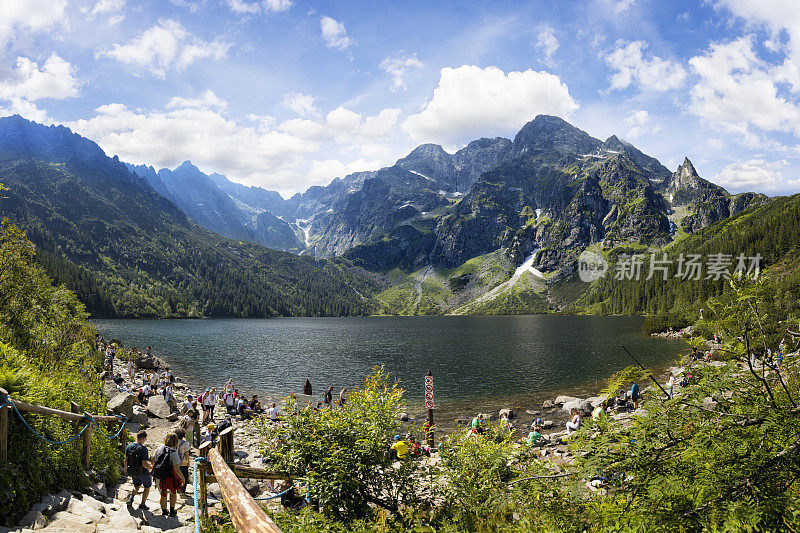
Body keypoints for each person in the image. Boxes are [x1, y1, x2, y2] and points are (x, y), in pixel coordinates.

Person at [153, 432, 184, 517]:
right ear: (176, 442)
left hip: (160, 476)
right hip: (170, 477)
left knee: (163, 493)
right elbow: (176, 469)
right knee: (173, 492)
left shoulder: (159, 449)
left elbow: (153, 460)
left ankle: (164, 511)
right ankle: (172, 510)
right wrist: (182, 478)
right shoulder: (174, 453)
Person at [125, 430, 153, 510]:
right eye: (145, 439)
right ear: (143, 438)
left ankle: (131, 498)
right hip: (143, 472)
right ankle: (142, 504)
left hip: (133, 470)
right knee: (147, 487)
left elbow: (126, 459)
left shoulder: (129, 446)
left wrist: (126, 469)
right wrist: (151, 467)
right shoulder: (144, 449)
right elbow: (144, 464)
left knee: (136, 486)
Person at [175, 429, 191, 494]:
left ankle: (177, 489)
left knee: (177, 476)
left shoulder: (174, 442)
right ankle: (182, 491)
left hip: (175, 461)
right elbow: (187, 454)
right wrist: (188, 462)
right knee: (184, 477)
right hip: (183, 462)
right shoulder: (185, 443)